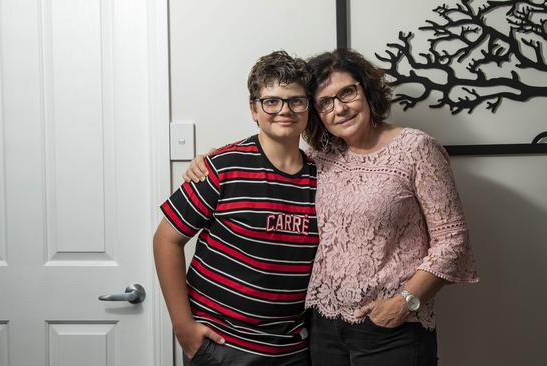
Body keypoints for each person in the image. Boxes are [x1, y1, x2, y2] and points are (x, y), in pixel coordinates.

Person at [183, 48, 479, 366]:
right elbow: (270, 151)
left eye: (347, 93)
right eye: (325, 102)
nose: (339, 108)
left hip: (391, 328)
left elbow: (453, 240)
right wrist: (213, 158)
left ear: (367, 91)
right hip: (321, 329)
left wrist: (405, 302)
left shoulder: (416, 148)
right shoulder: (323, 160)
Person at [153, 50, 319, 366]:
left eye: (296, 100)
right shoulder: (221, 167)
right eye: (272, 101)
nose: (285, 110)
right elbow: (166, 239)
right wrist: (182, 326)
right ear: (254, 109)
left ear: (308, 108)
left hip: (292, 350)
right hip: (222, 346)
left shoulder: (321, 177)